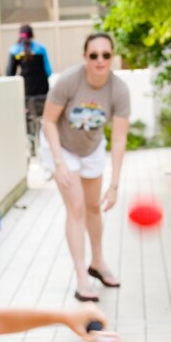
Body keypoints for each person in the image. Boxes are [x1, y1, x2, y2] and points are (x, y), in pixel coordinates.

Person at [41, 33, 130, 303]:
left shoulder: (118, 89)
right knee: (76, 207)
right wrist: (58, 163)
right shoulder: (69, 81)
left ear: (112, 57)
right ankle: (82, 278)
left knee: (94, 207)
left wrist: (114, 186)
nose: (100, 61)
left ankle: (98, 262)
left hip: (91, 148)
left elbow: (119, 137)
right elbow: (48, 121)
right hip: (61, 147)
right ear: (85, 58)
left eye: (106, 55)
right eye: (94, 55)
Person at [6, 24, 52, 148]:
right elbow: (49, 71)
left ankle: (31, 145)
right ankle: (45, 144)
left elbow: (10, 74)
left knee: (28, 119)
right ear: (32, 35)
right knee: (44, 119)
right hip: (43, 92)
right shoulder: (41, 49)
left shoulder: (15, 51)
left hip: (26, 93)